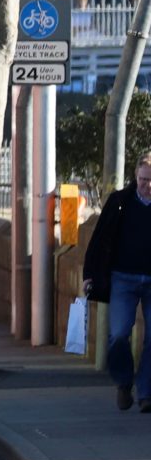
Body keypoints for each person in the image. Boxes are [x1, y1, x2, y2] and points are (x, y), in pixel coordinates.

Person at [81, 154, 151, 412]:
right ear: (136, 177)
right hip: (123, 277)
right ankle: (124, 383)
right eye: (144, 180)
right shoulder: (120, 202)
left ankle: (146, 393)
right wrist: (90, 274)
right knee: (119, 334)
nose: (148, 186)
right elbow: (99, 240)